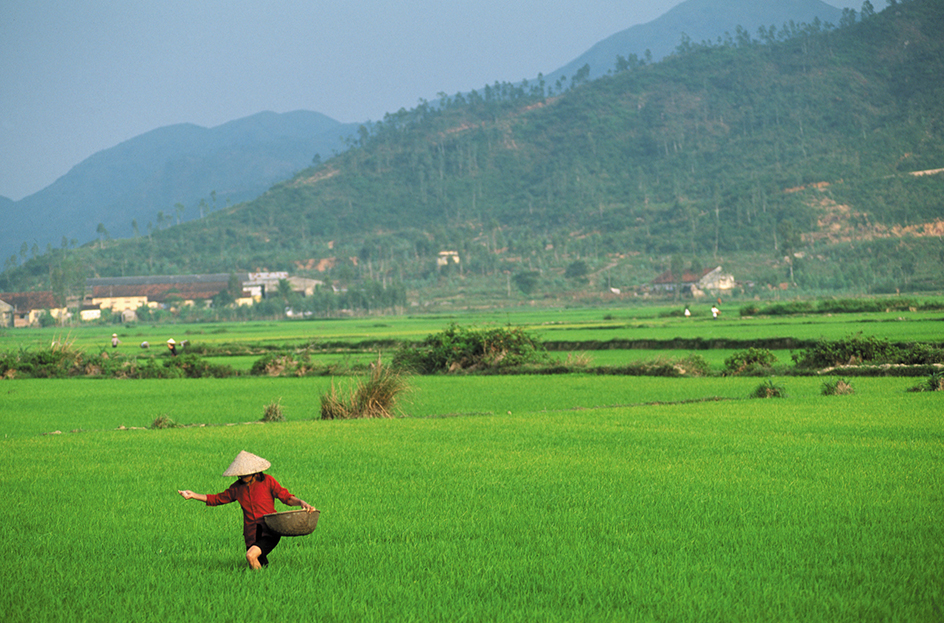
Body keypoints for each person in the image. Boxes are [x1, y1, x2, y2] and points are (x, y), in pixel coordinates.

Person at [178, 451, 317, 569]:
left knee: (251, 556)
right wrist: (193, 495)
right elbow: (217, 499)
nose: (242, 478)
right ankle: (264, 585)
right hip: (251, 534)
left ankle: (262, 584)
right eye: (240, 475)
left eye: (245, 475)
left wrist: (301, 502)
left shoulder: (268, 482)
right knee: (258, 563)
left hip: (270, 530)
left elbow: (286, 497)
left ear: (255, 472)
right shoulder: (237, 488)